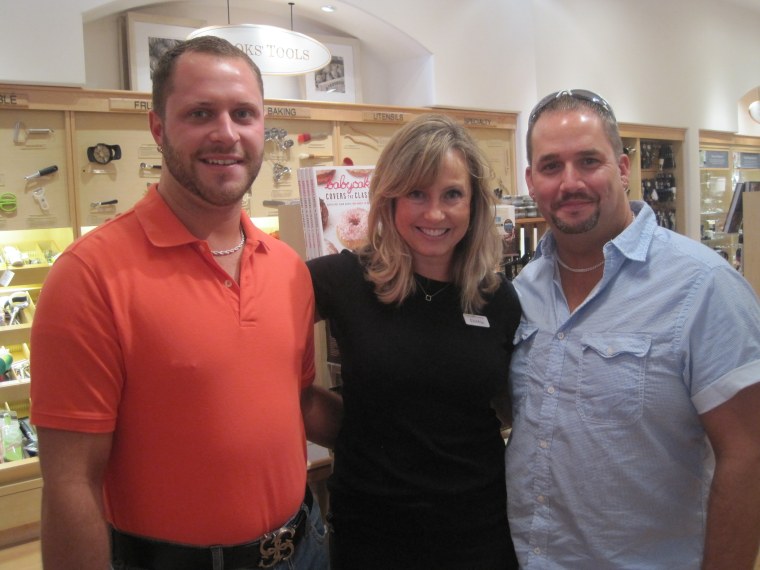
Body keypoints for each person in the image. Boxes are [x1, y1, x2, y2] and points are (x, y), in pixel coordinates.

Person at [30, 36, 338, 570]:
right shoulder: (89, 276)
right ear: (158, 128)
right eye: (201, 113)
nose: (227, 133)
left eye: (243, 113)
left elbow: (299, 399)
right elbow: (70, 483)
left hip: (304, 549)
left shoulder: (288, 267)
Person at [507, 89, 760, 568]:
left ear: (622, 168)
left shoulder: (703, 287)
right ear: (530, 180)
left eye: (588, 161)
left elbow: (748, 456)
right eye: (551, 166)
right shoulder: (525, 289)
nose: (570, 182)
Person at [307, 113, 522, 569]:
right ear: (390, 198)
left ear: (474, 204)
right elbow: (249, 329)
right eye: (417, 194)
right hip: (373, 536)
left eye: (452, 195)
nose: (434, 213)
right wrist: (330, 418)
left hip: (480, 533)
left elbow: (512, 407)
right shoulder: (344, 280)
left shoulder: (497, 299)